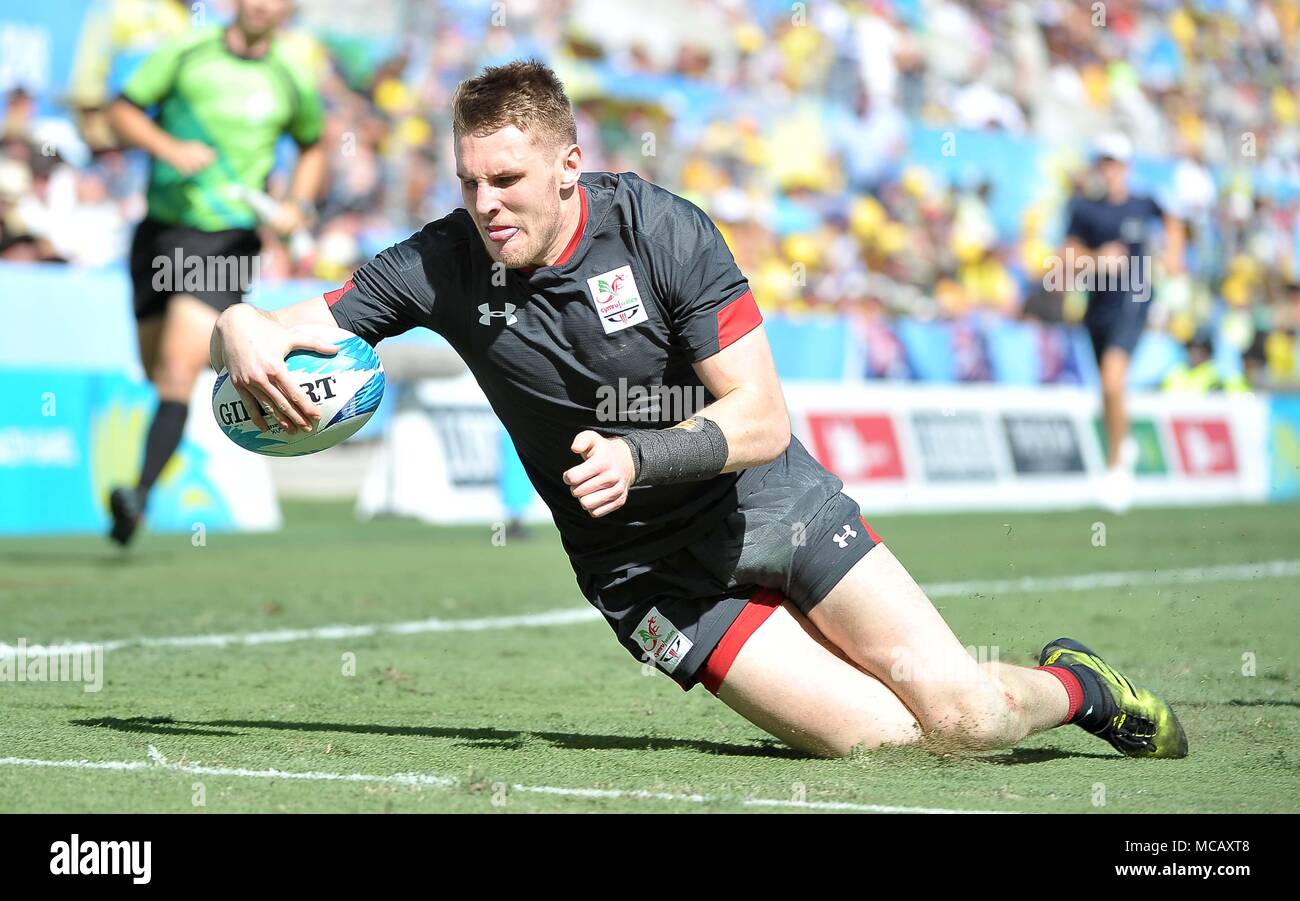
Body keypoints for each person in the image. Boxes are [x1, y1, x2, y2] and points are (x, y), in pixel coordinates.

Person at [211, 61, 1187, 759]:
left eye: (506, 180)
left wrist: (638, 458)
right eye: (468, 183)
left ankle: (1078, 686)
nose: (486, 204)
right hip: (645, 574)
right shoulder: (440, 260)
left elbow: (759, 417)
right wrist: (239, 328)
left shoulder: (662, 231)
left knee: (963, 717)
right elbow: (290, 322)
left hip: (765, 498)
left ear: (566, 165)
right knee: (888, 740)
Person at [105, 0, 325, 545]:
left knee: (178, 368)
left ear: (287, 11)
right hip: (160, 232)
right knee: (157, 369)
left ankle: (138, 495)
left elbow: (315, 145)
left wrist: (298, 201)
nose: (261, 6)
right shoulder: (186, 50)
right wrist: (167, 147)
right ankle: (144, 488)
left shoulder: (291, 75)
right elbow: (122, 111)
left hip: (227, 240)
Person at [1063, 134, 1185, 512]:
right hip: (1098, 307)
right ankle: (1121, 445)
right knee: (1107, 389)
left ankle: (1117, 470)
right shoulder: (1084, 208)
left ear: (1127, 167)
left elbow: (1174, 222)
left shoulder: (1143, 203)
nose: (1110, 170)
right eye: (1104, 162)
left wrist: (1173, 256)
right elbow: (1066, 255)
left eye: (1116, 163)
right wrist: (1097, 258)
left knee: (1113, 380)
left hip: (1134, 302)